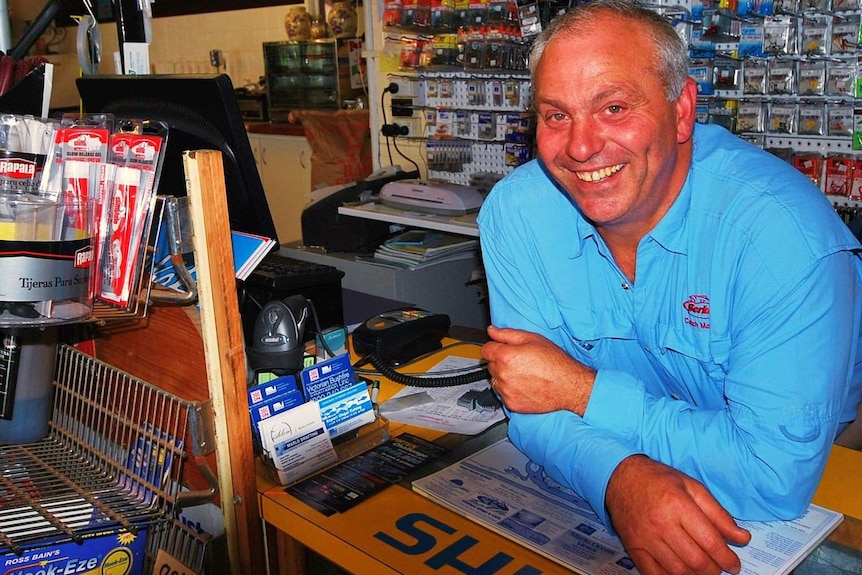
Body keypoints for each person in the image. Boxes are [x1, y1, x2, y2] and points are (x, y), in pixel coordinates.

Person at [477, 1, 862, 574]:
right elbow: (531, 404)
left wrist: (581, 392)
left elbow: (771, 476)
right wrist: (618, 480)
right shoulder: (517, 214)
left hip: (822, 478)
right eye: (556, 116)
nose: (581, 147)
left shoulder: (782, 238)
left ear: (681, 112)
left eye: (613, 108)